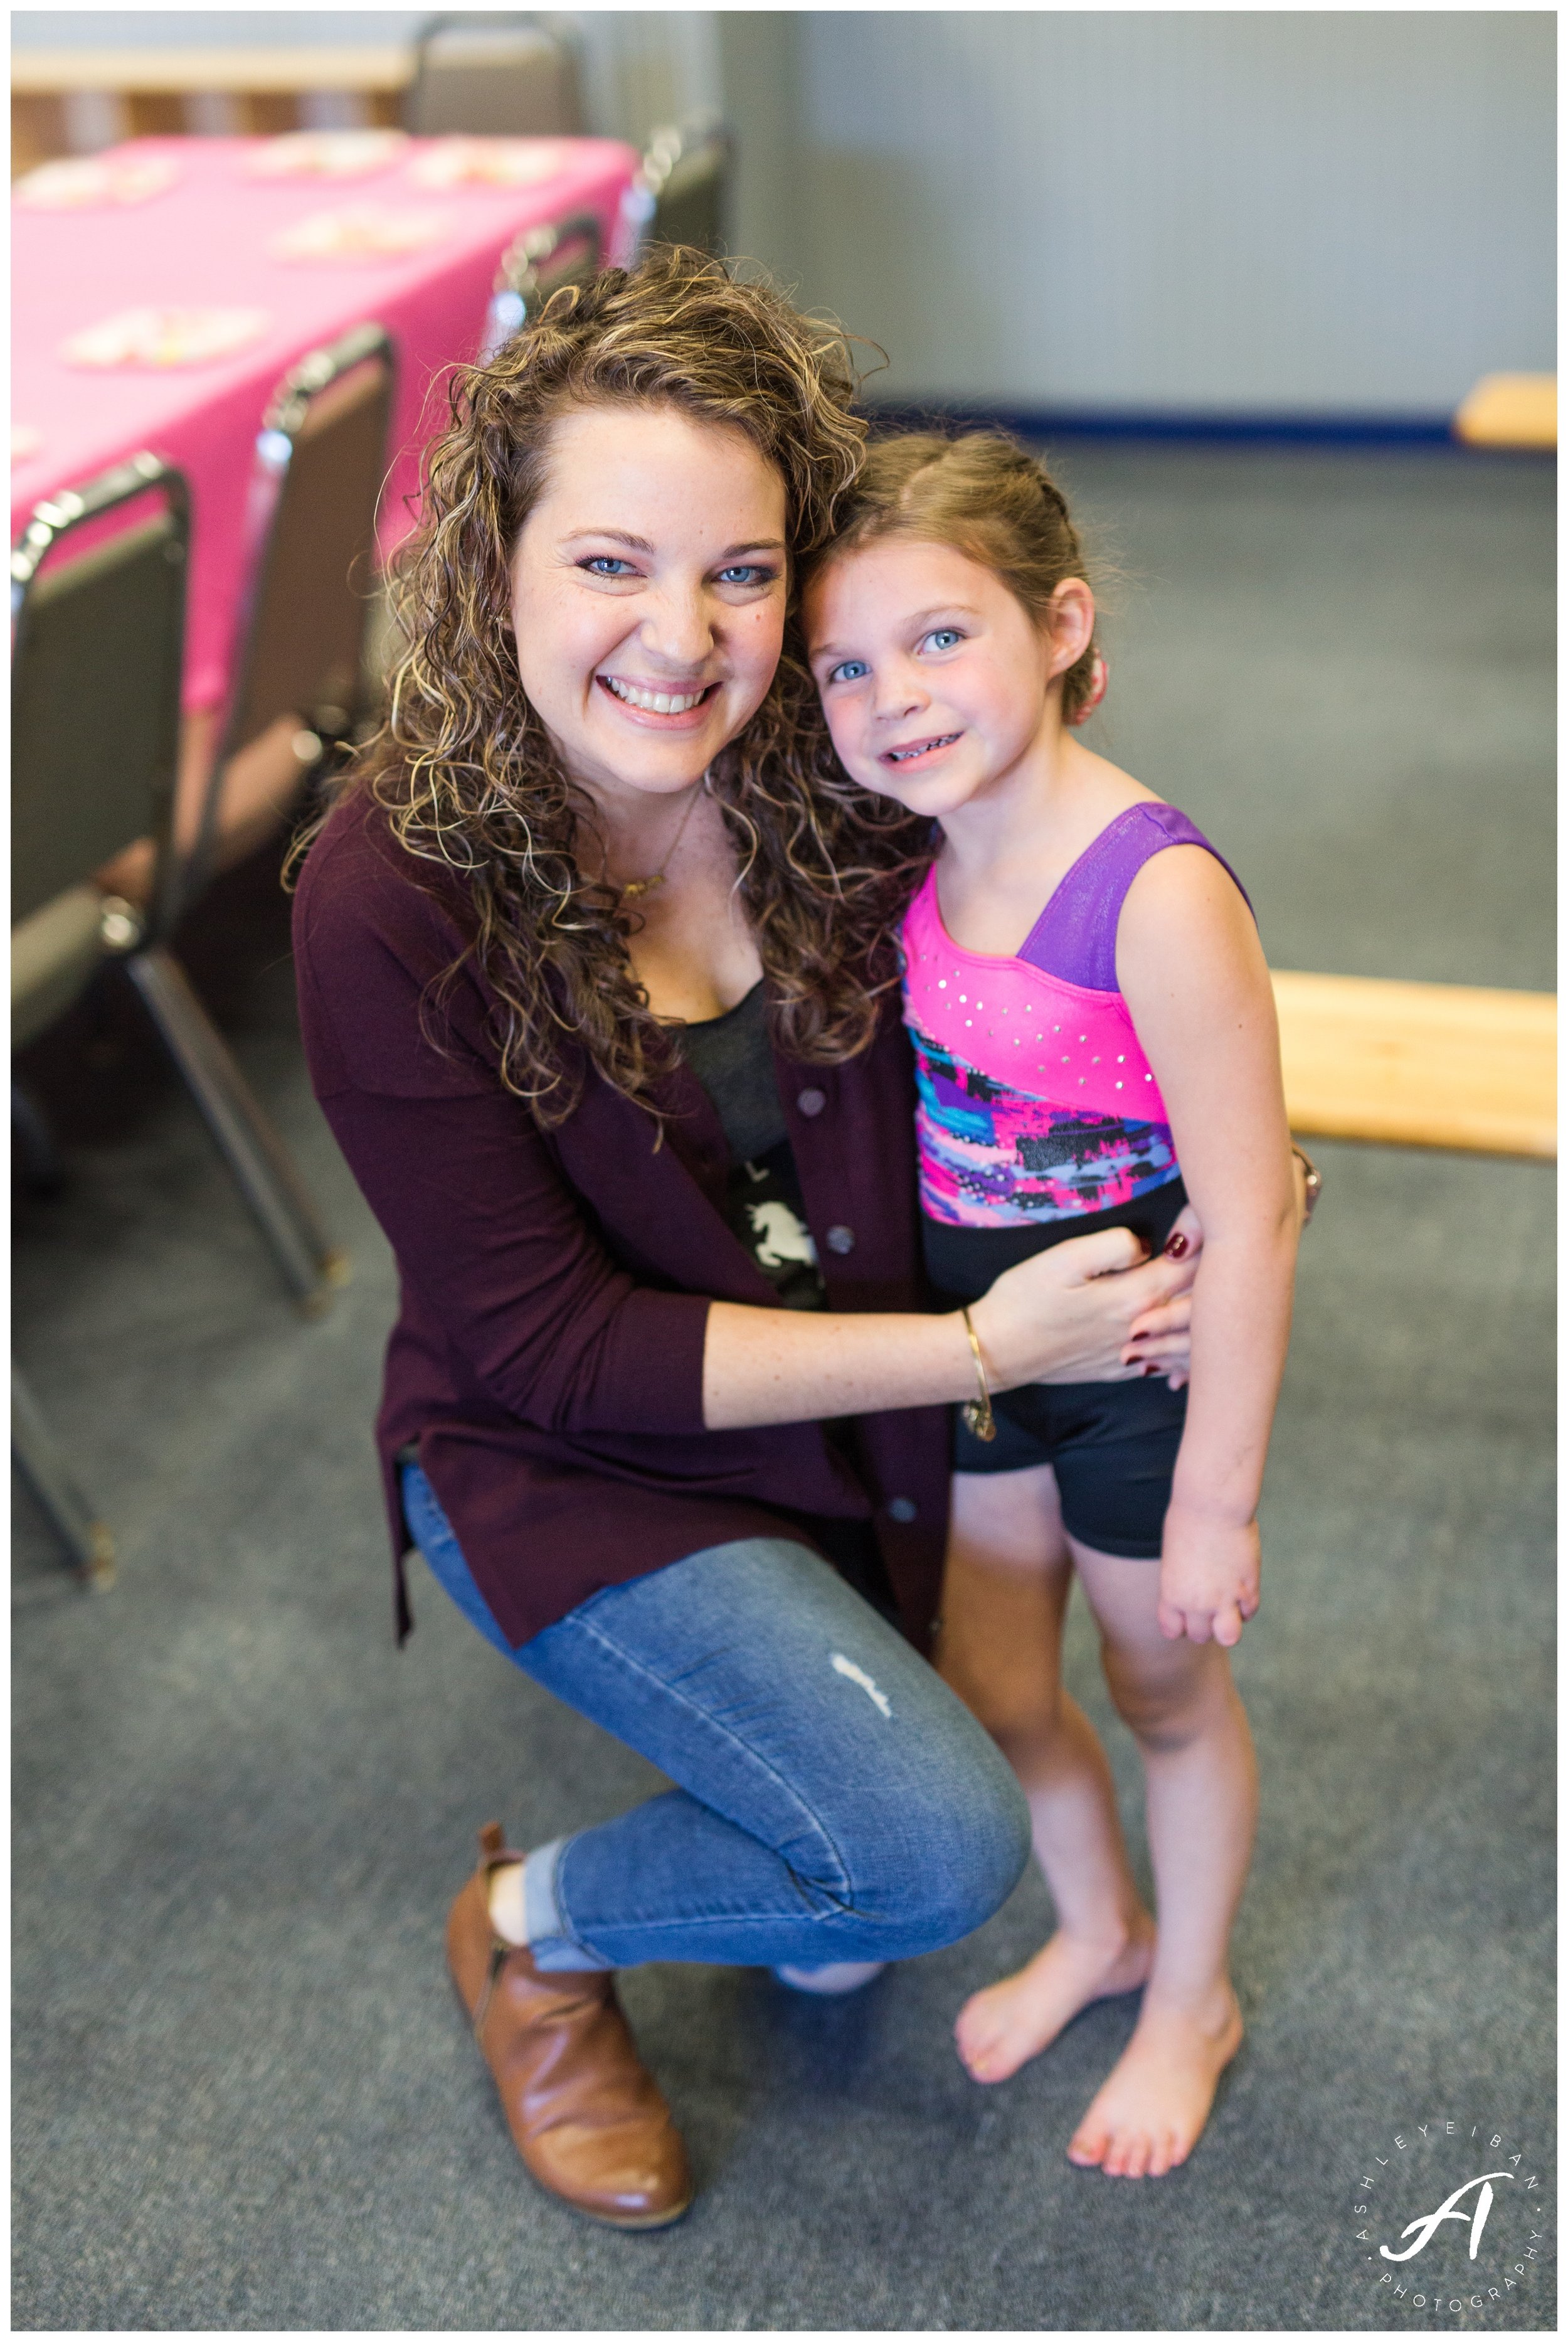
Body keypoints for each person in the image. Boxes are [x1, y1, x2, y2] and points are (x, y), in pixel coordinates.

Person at [290, 253, 1202, 2231]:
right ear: (494, 570)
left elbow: (1080, 955)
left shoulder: (842, 756)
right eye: (611, 565)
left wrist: (1211, 1172)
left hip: (872, 1396)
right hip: (579, 1449)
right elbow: (551, 1352)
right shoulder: (389, 892)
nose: (683, 641)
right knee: (923, 1854)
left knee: (843, 1914)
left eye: (743, 573)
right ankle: (531, 1928)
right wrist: (980, 1359)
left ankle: (798, 1745)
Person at [802, 432, 1301, 2181]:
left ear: (1059, 622)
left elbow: (1252, 1208)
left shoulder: (1149, 890)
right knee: (997, 1687)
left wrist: (1217, 1500)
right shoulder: (914, 852)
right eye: (845, 666)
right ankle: (1102, 1932)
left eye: (939, 638)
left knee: (1162, 1696)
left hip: (1139, 1383)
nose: (892, 697)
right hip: (985, 1354)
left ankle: (1194, 1999)